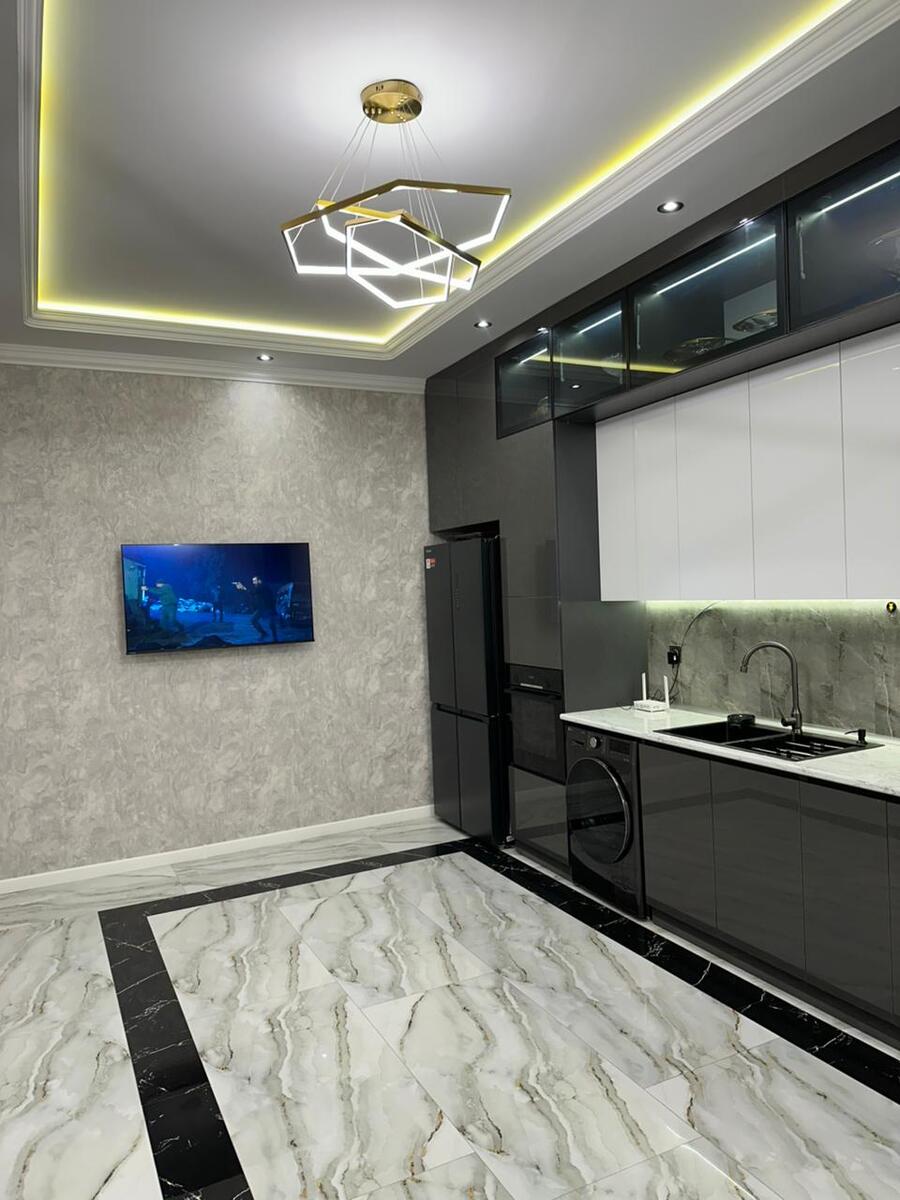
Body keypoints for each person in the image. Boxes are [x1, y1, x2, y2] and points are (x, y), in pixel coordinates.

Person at [248, 575, 278, 642]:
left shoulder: (262, 587)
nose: (253, 582)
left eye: (255, 581)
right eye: (253, 581)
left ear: (259, 581)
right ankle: (264, 634)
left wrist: (243, 588)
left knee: (271, 623)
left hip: (269, 607)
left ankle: (274, 638)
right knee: (253, 620)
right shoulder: (259, 588)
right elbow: (254, 594)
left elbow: (253, 592)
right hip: (262, 608)